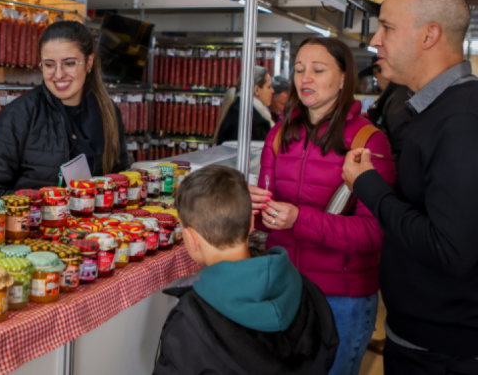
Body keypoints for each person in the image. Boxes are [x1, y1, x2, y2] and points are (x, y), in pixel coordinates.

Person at [342, 0, 478, 375]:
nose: (375, 40)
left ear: (429, 34)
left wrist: (368, 186)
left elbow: (450, 250)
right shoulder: (433, 111)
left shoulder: (461, 120)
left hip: (444, 352)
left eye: (387, 27)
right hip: (422, 338)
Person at [249, 37, 396, 375]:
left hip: (341, 299)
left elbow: (375, 232)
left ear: (344, 79)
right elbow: (265, 215)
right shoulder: (279, 134)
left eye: (318, 70)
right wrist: (251, 207)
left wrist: (298, 219)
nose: (305, 80)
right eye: (299, 70)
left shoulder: (368, 141)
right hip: (284, 290)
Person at [153, 165, 339, 375]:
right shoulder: (307, 289)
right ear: (252, 222)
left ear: (190, 239)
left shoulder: (188, 322)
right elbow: (329, 348)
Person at [0, 20, 129, 199]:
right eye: (49, 64)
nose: (59, 74)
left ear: (88, 62)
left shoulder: (108, 113)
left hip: (96, 226)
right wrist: (51, 206)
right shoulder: (18, 116)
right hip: (34, 227)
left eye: (69, 63)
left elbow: (120, 180)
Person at [364, 65, 412, 164]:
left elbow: (401, 145)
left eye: (376, 77)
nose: (377, 83)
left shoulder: (399, 98)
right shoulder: (397, 95)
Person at [214, 65, 274, 144]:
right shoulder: (249, 119)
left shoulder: (241, 111)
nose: (272, 91)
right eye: (269, 87)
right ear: (256, 90)